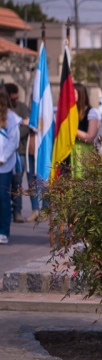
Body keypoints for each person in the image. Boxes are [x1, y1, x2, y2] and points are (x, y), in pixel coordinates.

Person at [5, 84, 37, 223]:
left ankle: (17, 212)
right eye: (14, 95)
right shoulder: (4, 109)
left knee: (17, 182)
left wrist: (16, 131)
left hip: (20, 152)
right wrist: (19, 125)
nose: (16, 98)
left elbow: (28, 128)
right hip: (4, 153)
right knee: (6, 183)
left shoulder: (22, 108)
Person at [0, 89, 21, 244]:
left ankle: (3, 232)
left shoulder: (11, 117)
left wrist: (2, 158)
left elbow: (14, 141)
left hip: (4, 166)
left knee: (3, 198)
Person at [71, 83, 101, 178]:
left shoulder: (92, 112)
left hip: (84, 152)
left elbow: (90, 137)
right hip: (70, 151)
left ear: (80, 94)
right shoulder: (69, 112)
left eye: (73, 93)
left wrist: (71, 130)